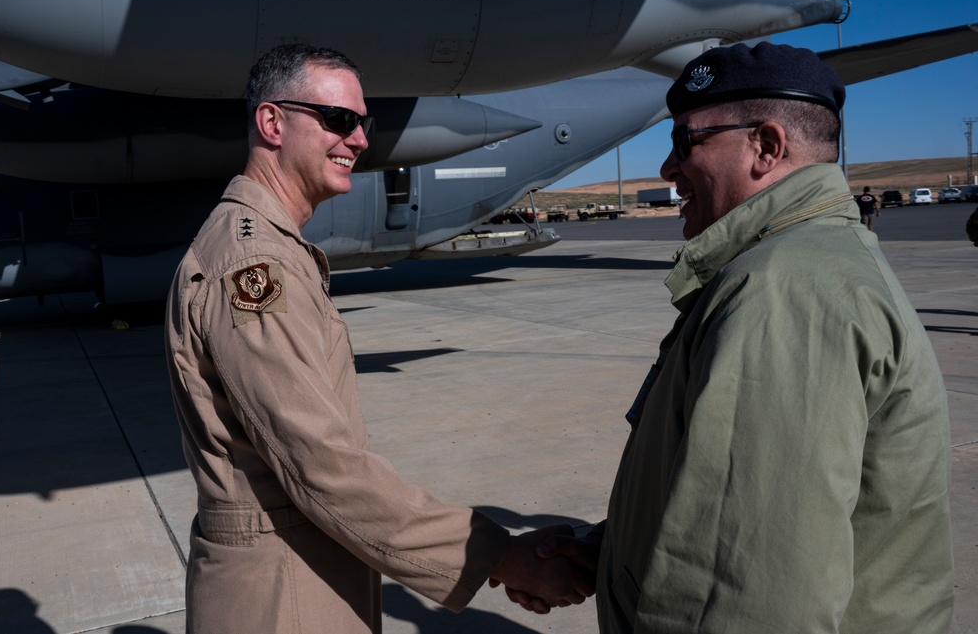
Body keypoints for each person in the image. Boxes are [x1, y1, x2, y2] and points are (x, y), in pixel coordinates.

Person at [514, 42, 955, 632]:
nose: (669, 169)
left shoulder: (787, 290)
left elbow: (743, 591)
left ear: (766, 147)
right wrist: (615, 550)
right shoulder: (802, 265)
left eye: (683, 143)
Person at [164, 44, 592, 634]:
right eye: (338, 120)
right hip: (281, 595)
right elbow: (323, 466)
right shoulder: (255, 263)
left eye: (364, 122)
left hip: (299, 572)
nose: (360, 139)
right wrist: (500, 556)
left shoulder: (267, 246)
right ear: (271, 123)